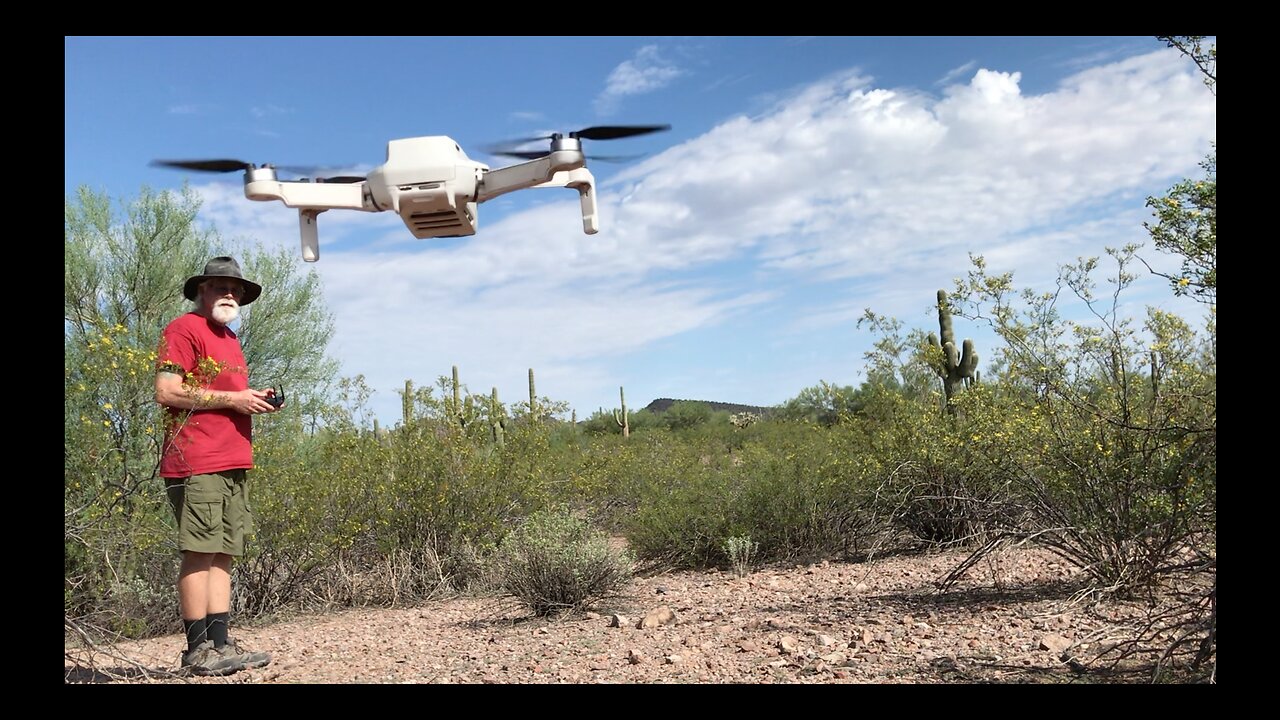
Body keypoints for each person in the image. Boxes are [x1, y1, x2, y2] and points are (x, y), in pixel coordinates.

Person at [155, 256, 280, 677]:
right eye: (220, 286)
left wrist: (251, 397)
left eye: (236, 288)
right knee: (200, 551)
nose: (229, 293)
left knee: (224, 552)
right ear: (201, 291)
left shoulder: (228, 338)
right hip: (197, 460)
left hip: (232, 459)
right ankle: (196, 651)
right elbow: (168, 391)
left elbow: (223, 394)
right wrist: (233, 399)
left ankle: (221, 643)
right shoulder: (182, 329)